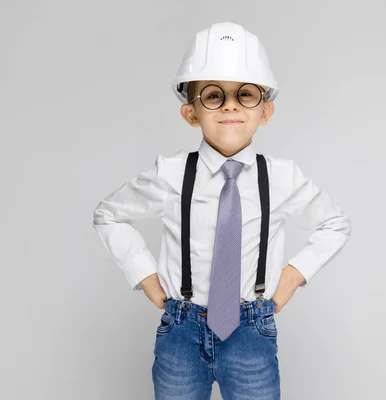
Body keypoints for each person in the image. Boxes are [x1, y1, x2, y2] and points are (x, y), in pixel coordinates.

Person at [92, 21, 351, 399]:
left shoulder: (281, 176)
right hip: (181, 330)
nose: (230, 105)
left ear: (266, 111)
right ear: (191, 113)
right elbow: (109, 214)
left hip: (251, 331)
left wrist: (293, 276)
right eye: (213, 96)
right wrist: (144, 275)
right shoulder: (172, 173)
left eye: (245, 94)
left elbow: (334, 224)